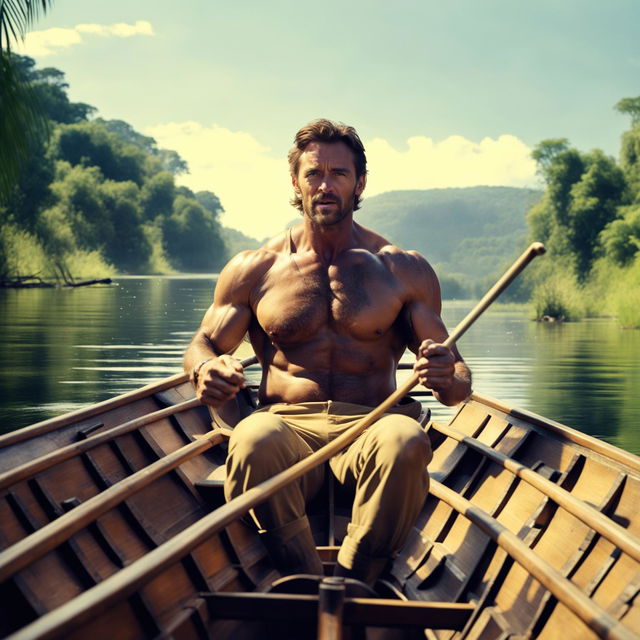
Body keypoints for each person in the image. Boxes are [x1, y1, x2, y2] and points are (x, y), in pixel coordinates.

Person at [184, 118, 472, 586]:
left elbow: (456, 383)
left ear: (359, 183)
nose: (325, 185)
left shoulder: (401, 268)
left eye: (338, 173)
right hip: (284, 425)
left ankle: (358, 579)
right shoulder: (255, 268)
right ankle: (301, 580)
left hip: (371, 424)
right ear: (295, 182)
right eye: (314, 173)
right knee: (251, 440)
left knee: (406, 441)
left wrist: (446, 374)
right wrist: (206, 369)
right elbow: (203, 345)